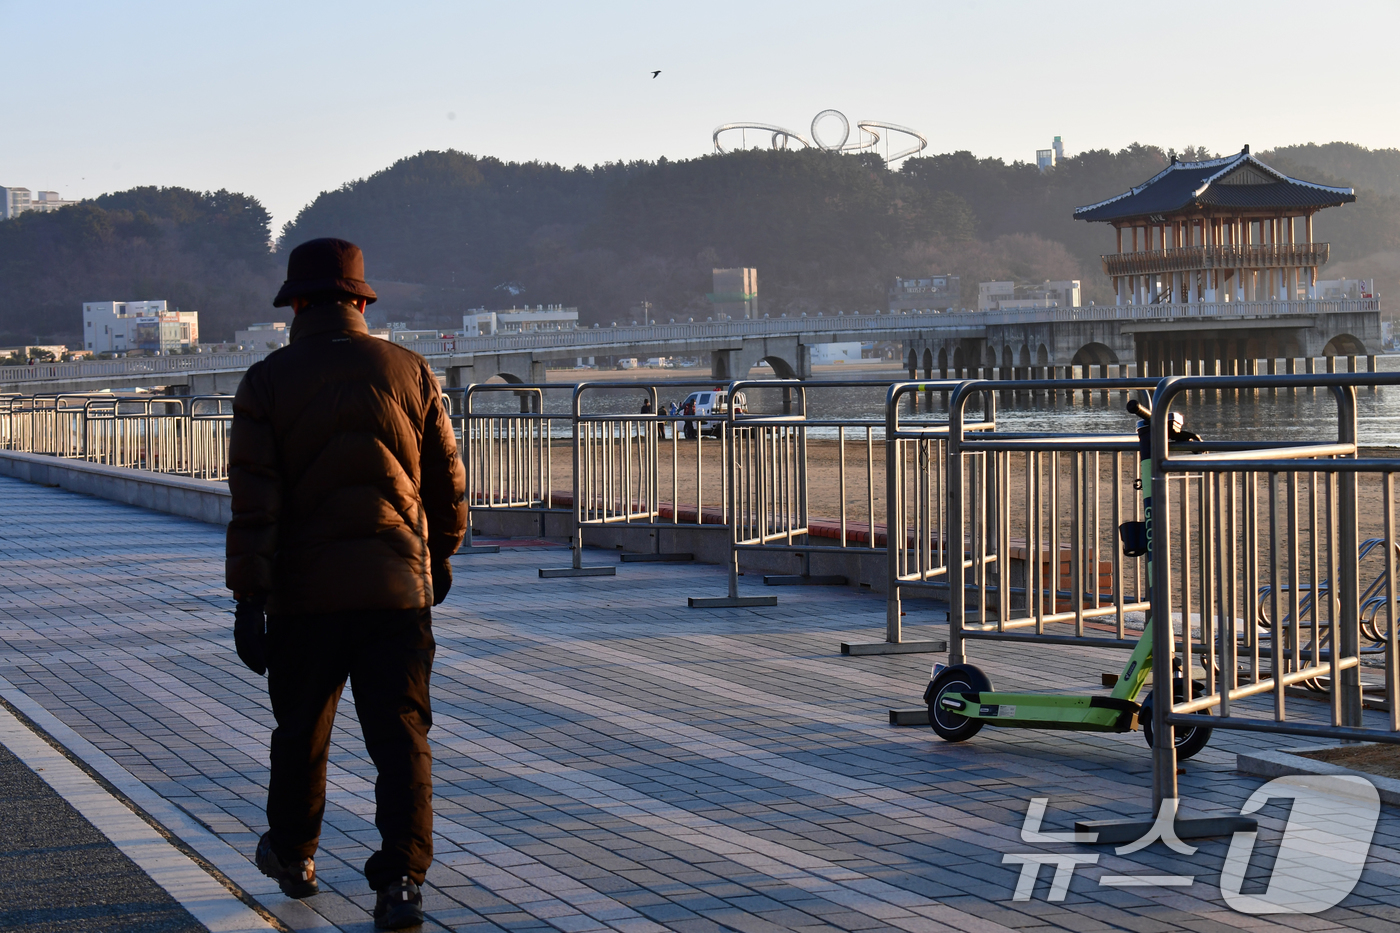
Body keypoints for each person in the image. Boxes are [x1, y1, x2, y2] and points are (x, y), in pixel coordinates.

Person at [226, 238, 467, 930]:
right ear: (362, 301)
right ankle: (401, 882)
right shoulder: (411, 370)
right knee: (402, 738)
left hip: (305, 599)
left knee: (301, 732)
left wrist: (249, 598)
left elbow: (254, 505)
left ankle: (297, 855)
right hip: (397, 594)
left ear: (296, 303)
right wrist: (439, 556)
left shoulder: (266, 382)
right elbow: (447, 485)